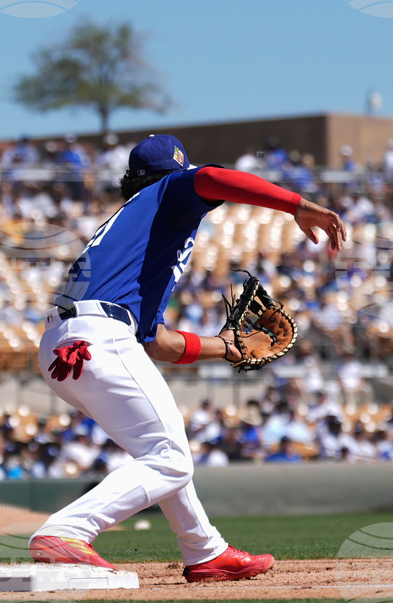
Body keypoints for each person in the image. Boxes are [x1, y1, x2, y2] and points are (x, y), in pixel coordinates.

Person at [28, 134, 346, 583]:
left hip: (67, 344)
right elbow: (214, 177)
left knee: (157, 448)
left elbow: (157, 342)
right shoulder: (166, 194)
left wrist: (224, 346)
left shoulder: (135, 229)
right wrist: (296, 204)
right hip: (97, 335)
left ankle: (205, 550)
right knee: (171, 457)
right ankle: (67, 530)